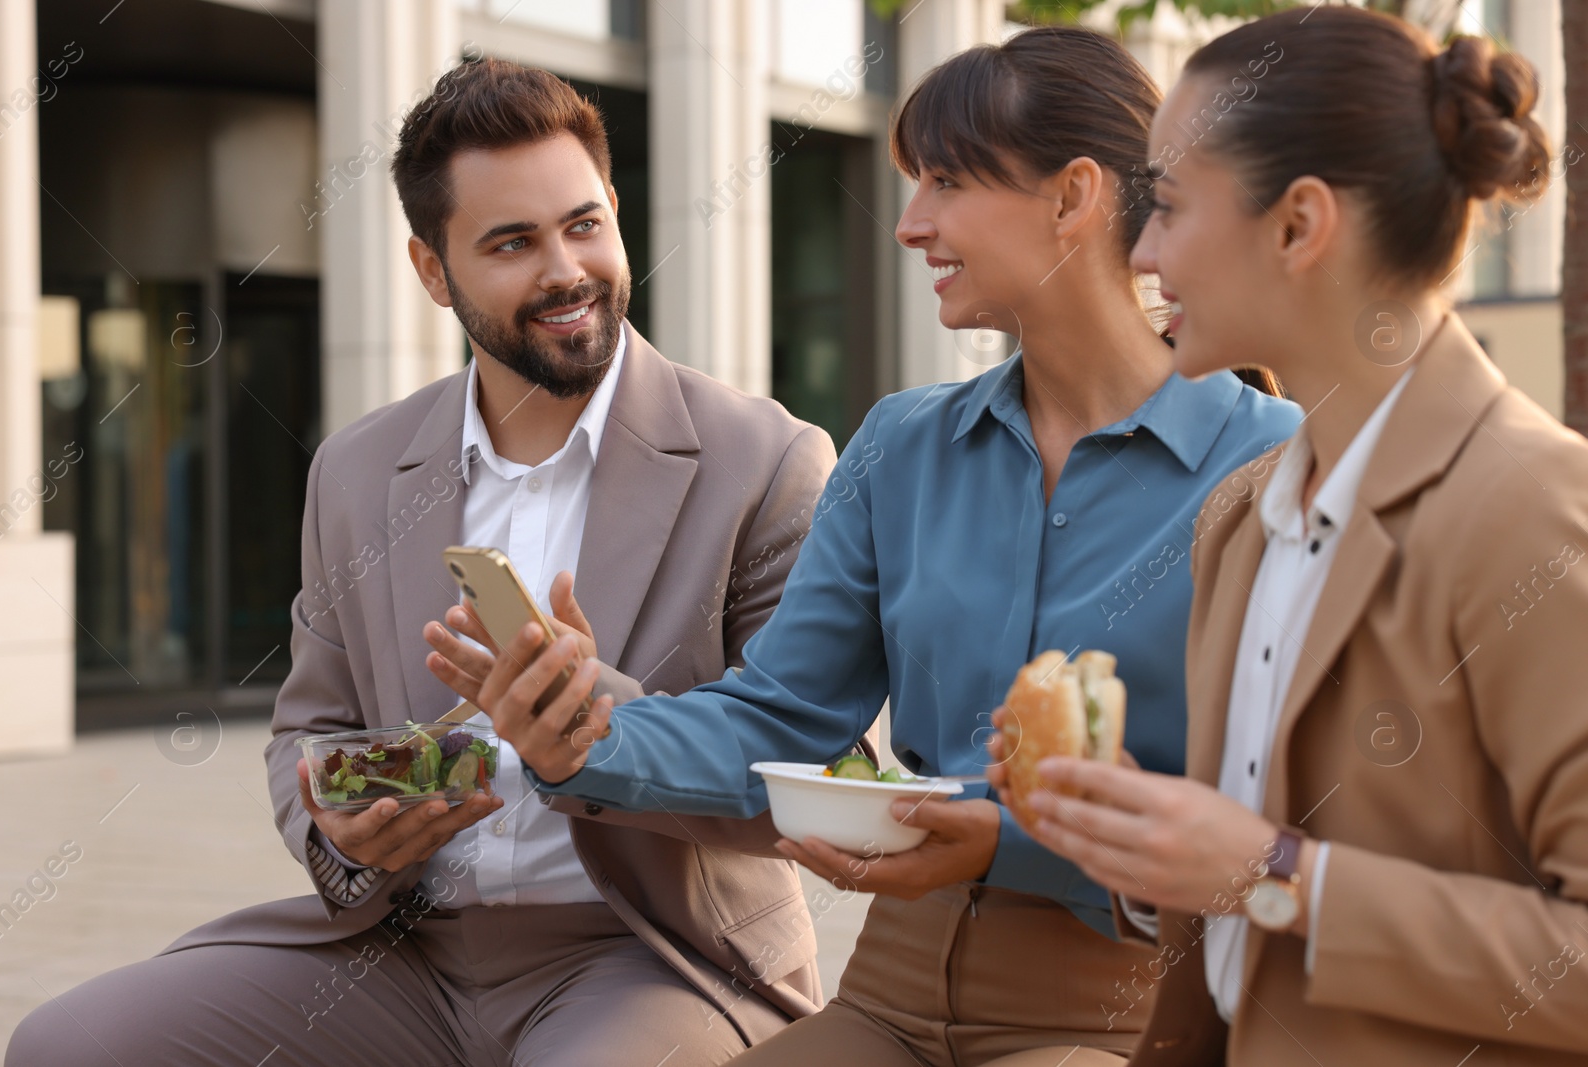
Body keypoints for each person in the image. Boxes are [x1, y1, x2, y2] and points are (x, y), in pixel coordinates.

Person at [443, 27, 1299, 1066]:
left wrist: (1017, 843)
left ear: (1073, 198)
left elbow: (1288, 819)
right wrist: (587, 738)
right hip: (886, 996)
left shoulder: (1267, 467)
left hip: (1117, 1013)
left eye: (944, 181)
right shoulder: (903, 443)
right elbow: (783, 716)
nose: (909, 225)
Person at [7, 59, 838, 1066]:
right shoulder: (358, 469)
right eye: (511, 243)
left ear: (616, 210)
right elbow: (307, 728)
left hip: (653, 951)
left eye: (583, 223)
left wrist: (599, 725)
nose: (566, 269)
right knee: (69, 1043)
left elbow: (813, 771)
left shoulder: (768, 459)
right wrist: (342, 827)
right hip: (400, 949)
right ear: (433, 270)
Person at [991, 7, 1588, 1065]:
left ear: (1299, 224)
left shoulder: (1531, 508)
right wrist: (1137, 833)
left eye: (1167, 206)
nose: (1139, 251)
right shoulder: (1244, 515)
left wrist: (1277, 874)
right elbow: (1240, 907)